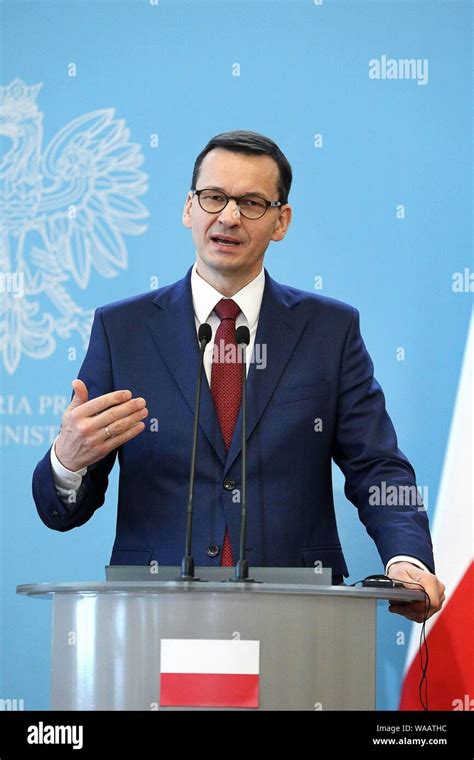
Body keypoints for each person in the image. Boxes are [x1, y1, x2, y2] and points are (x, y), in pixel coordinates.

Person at [32, 130, 445, 622]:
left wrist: (406, 559)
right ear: (189, 208)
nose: (228, 216)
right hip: (152, 615)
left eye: (251, 202)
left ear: (281, 221)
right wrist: (67, 461)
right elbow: (64, 511)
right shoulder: (123, 330)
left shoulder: (329, 330)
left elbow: (377, 466)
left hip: (297, 617)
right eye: (214, 198)